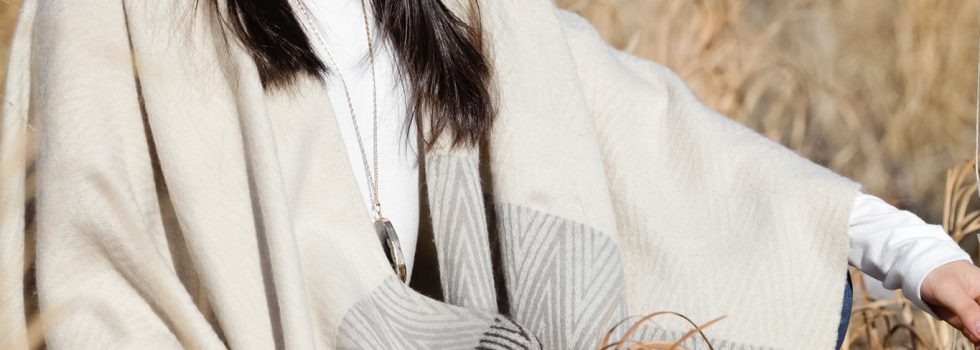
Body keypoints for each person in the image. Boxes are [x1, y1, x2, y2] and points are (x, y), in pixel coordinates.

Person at [0, 0, 977, 348]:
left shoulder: (464, 10)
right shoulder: (108, 14)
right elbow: (91, 280)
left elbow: (661, 142)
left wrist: (908, 247)